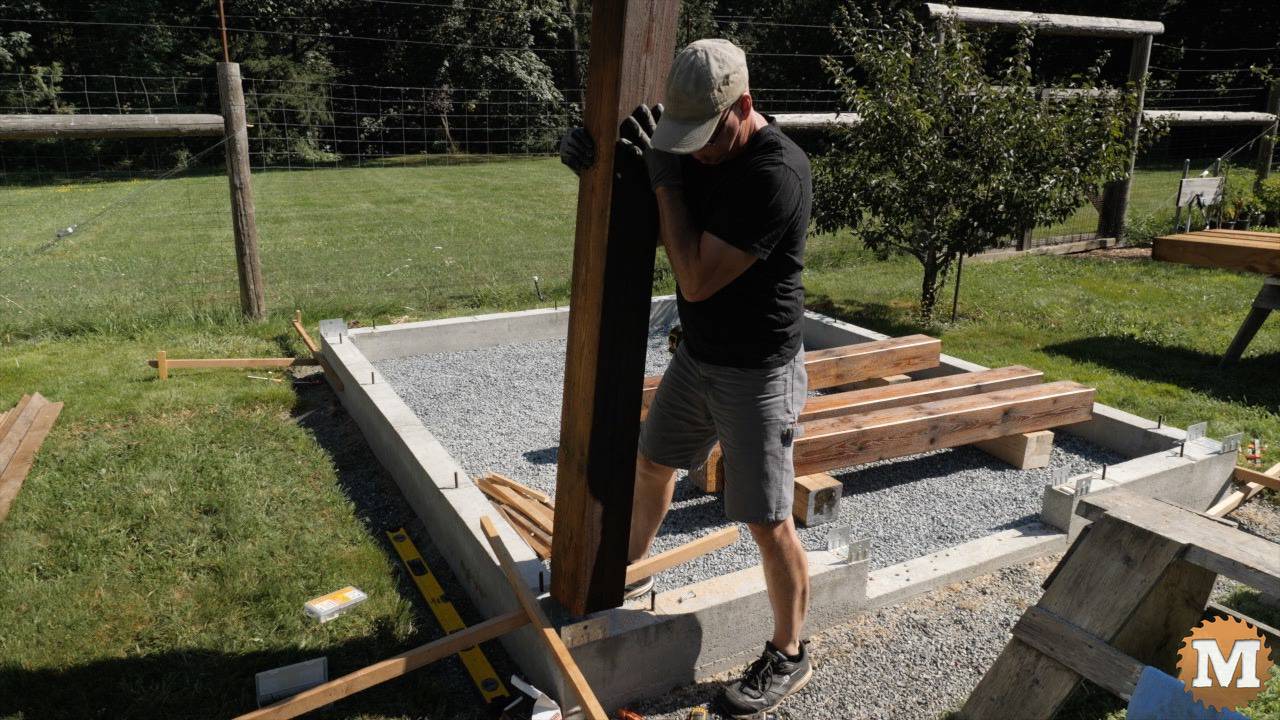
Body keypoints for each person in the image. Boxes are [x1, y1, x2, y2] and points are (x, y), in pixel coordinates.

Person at [559, 38, 813, 718]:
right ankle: (620, 578)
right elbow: (649, 216)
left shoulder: (776, 174)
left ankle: (789, 653)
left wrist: (665, 175)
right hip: (700, 358)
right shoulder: (696, 146)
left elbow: (695, 278)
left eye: (706, 136)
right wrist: (596, 162)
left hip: (758, 372)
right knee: (652, 465)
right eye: (685, 136)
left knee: (765, 520)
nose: (695, 149)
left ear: (745, 106)